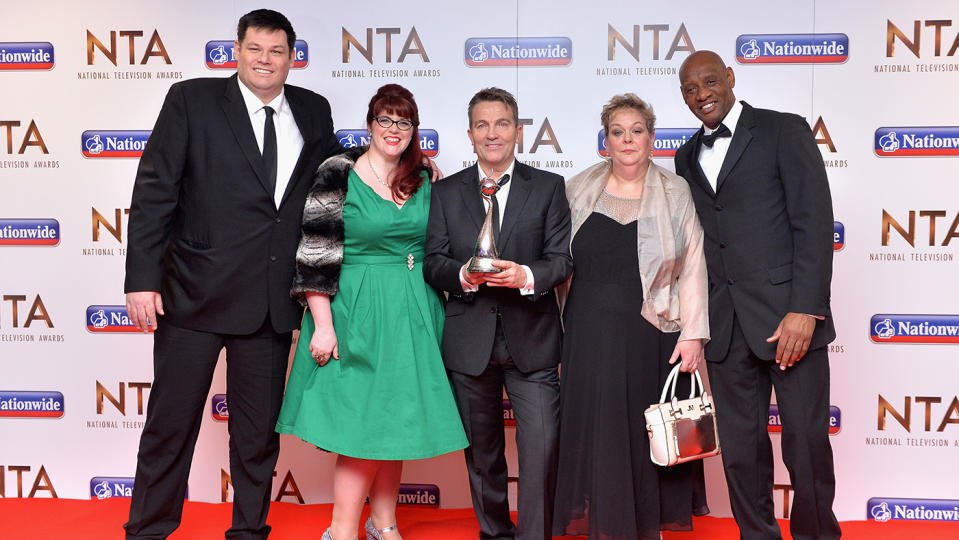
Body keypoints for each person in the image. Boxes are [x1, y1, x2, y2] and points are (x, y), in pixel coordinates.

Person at [122, 9, 342, 539]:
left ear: (293, 57)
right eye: (255, 49)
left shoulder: (314, 110)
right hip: (191, 296)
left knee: (257, 438)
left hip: (269, 302)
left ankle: (248, 532)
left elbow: (337, 176)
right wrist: (141, 279)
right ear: (236, 51)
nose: (265, 60)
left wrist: (408, 166)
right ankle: (148, 530)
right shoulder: (191, 101)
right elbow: (154, 191)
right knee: (170, 427)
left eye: (277, 51)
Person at [276, 84, 468, 540]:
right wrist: (322, 326)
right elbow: (314, 253)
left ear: (414, 129)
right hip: (354, 309)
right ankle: (341, 531)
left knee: (392, 420)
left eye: (403, 122)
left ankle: (384, 524)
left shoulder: (424, 176)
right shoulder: (337, 172)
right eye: (385, 119)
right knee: (364, 424)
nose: (394, 130)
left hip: (414, 309)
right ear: (370, 124)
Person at [674, 50, 840, 540]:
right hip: (726, 330)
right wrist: (695, 325)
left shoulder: (783, 130)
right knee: (742, 453)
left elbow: (813, 223)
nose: (702, 94)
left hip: (790, 322)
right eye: (690, 89)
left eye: (709, 81)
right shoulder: (685, 156)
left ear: (730, 77)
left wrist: (805, 309)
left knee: (806, 445)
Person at [551, 94, 711, 540]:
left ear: (652, 138)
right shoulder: (577, 187)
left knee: (646, 435)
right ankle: (606, 526)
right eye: (618, 132)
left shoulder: (675, 190)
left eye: (636, 131)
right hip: (586, 336)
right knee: (598, 432)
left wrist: (694, 334)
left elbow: (694, 264)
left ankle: (645, 528)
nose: (627, 140)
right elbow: (554, 259)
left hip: (652, 333)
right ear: (605, 140)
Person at [424, 88, 573, 540]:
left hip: (533, 339)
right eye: (483, 125)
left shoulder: (548, 187)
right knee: (483, 455)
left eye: (502, 123)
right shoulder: (445, 193)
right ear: (470, 135)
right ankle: (495, 533)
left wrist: (525, 274)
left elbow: (561, 260)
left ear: (518, 131)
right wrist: (465, 276)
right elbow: (433, 261)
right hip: (469, 343)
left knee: (542, 448)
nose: (493, 134)